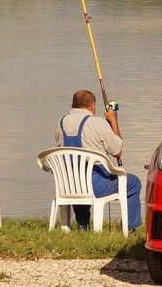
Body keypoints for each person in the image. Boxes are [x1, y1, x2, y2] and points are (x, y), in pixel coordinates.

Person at [56, 89, 142, 231]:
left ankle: (83, 225)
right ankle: (130, 227)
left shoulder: (61, 122)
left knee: (78, 178)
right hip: (96, 185)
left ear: (72, 105)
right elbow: (117, 152)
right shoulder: (97, 123)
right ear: (92, 105)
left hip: (68, 185)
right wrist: (113, 121)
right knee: (133, 183)